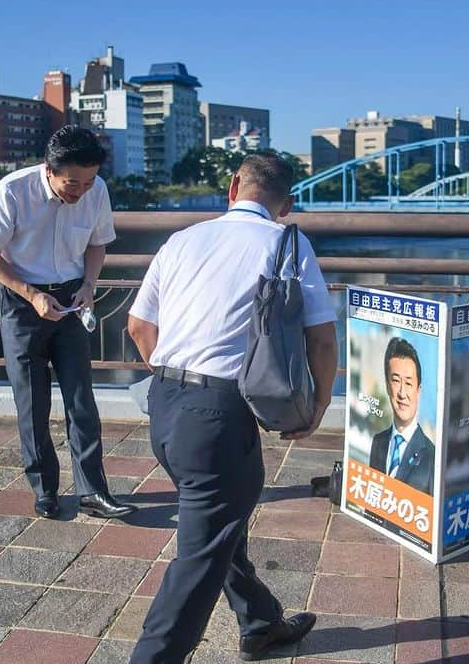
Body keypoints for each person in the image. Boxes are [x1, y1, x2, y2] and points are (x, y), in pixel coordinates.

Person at [126, 152, 338, 663]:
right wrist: (319, 404)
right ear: (286, 205)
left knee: (219, 522)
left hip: (165, 406)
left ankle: (261, 623)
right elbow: (321, 337)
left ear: (232, 187)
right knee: (198, 559)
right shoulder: (287, 241)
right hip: (218, 418)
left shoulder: (182, 239)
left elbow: (137, 326)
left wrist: (179, 380)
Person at [0, 126, 135, 520]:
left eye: (89, 181)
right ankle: (44, 490)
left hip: (71, 298)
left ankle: (92, 491)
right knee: (32, 402)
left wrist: (89, 284)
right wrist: (31, 295)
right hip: (22, 298)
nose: (80, 191)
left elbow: (98, 243)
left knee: (82, 399)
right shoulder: (11, 191)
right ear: (49, 169)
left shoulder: (96, 190)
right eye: (72, 183)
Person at [368, 337, 435, 495]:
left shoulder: (431, 456)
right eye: (396, 381)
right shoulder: (378, 442)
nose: (402, 393)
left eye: (409, 383)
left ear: (419, 390)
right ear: (387, 385)